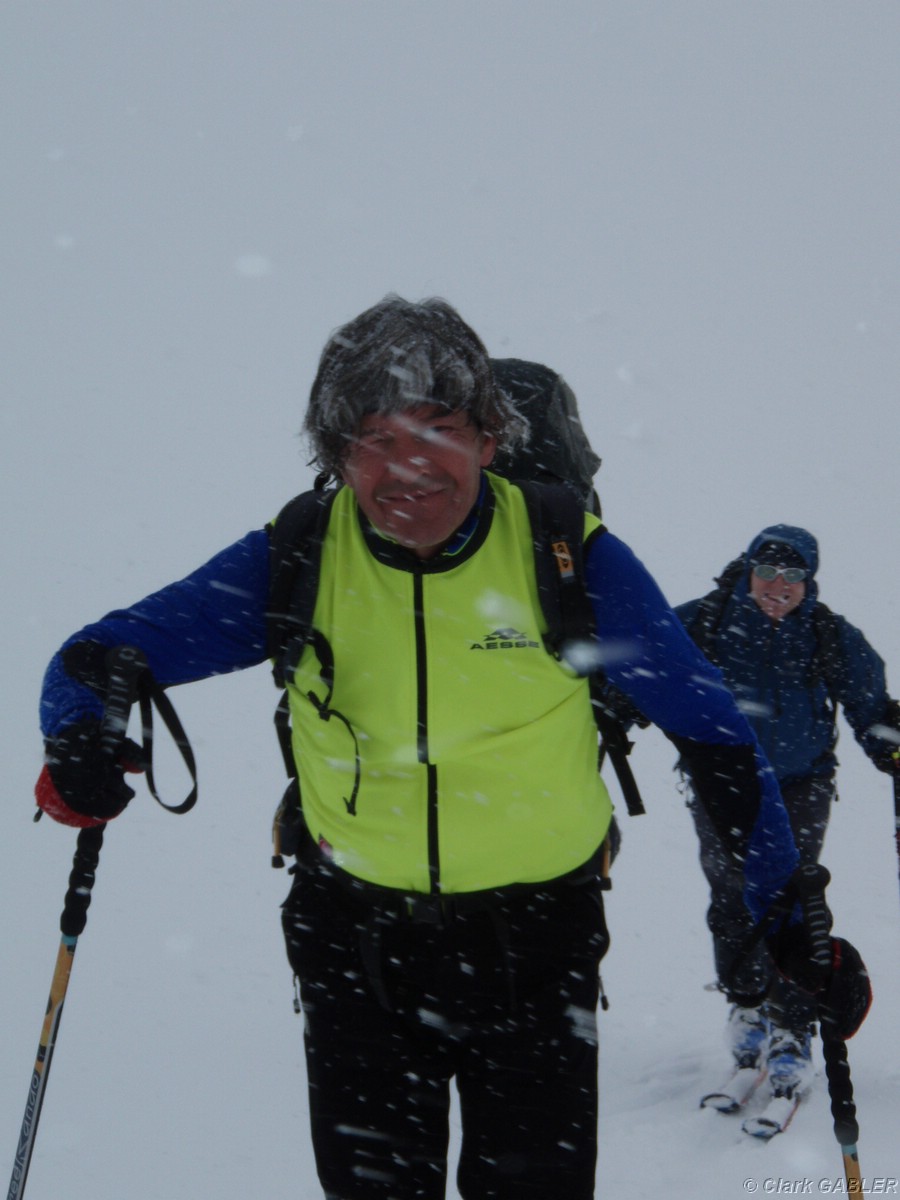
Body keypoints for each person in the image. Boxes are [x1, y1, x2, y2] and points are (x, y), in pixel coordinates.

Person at [35, 297, 853, 1200]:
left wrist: (787, 914)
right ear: (336, 453)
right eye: (374, 438)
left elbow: (714, 735)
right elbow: (97, 656)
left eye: (440, 431)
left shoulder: (565, 557)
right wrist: (76, 735)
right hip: (355, 947)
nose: (408, 467)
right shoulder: (300, 556)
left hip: (538, 945)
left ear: (490, 440)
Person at [674, 525, 897, 1106]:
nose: (779, 586)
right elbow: (642, 666)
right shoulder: (706, 621)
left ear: (809, 581)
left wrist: (892, 745)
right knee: (730, 894)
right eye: (768, 571)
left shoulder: (826, 634)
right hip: (722, 782)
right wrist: (611, 707)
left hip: (800, 785)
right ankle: (747, 1004)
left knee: (792, 900)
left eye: (793, 575)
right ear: (749, 570)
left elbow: (870, 704)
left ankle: (793, 1026)